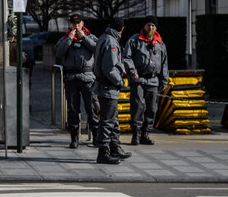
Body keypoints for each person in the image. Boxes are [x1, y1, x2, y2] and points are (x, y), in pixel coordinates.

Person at [54, 13, 100, 149]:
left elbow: (96, 49)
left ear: (82, 24)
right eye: (74, 23)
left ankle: (96, 137)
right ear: (70, 24)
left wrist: (83, 38)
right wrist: (69, 38)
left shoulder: (90, 36)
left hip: (87, 78)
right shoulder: (65, 38)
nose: (76, 26)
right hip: (71, 78)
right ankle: (74, 138)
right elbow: (58, 52)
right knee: (73, 109)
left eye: (78, 23)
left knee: (91, 108)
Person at [123, 15, 169, 145]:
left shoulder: (160, 44)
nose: (151, 27)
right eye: (148, 25)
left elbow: (164, 63)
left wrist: (164, 81)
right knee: (137, 106)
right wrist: (132, 71)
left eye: (153, 25)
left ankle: (146, 133)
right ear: (144, 26)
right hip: (138, 79)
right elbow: (126, 57)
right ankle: (136, 134)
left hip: (153, 80)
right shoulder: (134, 40)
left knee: (151, 108)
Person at [93, 17, 132, 164]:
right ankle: (103, 152)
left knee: (113, 119)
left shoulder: (105, 38)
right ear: (121, 30)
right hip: (108, 86)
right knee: (108, 121)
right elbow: (109, 69)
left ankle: (114, 147)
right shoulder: (111, 42)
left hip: (106, 86)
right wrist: (120, 81)